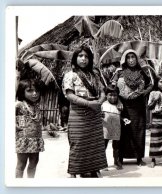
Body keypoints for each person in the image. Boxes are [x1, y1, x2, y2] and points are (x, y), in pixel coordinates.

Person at [62, 45, 107, 178]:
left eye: (86, 56)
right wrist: (88, 103)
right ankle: (74, 172)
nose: (84, 59)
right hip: (78, 114)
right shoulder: (70, 75)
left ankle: (94, 169)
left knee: (95, 143)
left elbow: (102, 91)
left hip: (94, 113)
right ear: (75, 58)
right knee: (78, 142)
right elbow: (69, 95)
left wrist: (99, 102)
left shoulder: (94, 75)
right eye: (80, 56)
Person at [111, 49, 153, 166]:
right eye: (128, 57)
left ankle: (139, 158)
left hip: (138, 106)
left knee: (138, 131)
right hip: (123, 105)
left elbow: (150, 84)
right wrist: (117, 100)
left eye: (133, 57)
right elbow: (112, 87)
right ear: (124, 59)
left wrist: (144, 93)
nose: (131, 60)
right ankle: (120, 158)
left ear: (137, 58)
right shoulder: (119, 72)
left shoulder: (142, 71)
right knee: (123, 131)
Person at [15, 79, 44, 178]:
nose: (35, 93)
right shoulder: (19, 105)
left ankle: (30, 184)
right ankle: (18, 187)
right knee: (21, 164)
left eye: (37, 91)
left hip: (35, 140)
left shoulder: (36, 106)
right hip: (23, 139)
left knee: (34, 163)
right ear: (22, 92)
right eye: (30, 90)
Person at [102, 85, 123, 170]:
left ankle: (116, 161)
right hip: (105, 128)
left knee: (116, 146)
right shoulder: (103, 104)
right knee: (104, 145)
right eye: (110, 95)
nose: (113, 97)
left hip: (116, 128)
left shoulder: (119, 106)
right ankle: (103, 163)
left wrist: (123, 119)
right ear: (106, 95)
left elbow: (120, 116)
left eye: (115, 95)